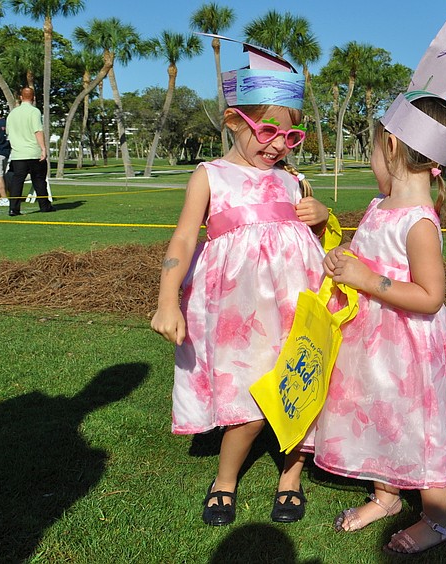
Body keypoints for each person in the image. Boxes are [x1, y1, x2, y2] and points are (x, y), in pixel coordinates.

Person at [150, 38, 329, 527]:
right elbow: (185, 239)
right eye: (268, 131)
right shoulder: (211, 176)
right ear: (234, 121)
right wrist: (168, 300)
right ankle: (224, 480)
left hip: (297, 303)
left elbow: (318, 240)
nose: (277, 145)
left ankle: (290, 477)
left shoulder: (294, 180)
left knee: (299, 389)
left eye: (290, 138)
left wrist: (322, 214)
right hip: (240, 311)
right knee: (248, 402)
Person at [312, 7, 446, 556]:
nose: (371, 160)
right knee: (379, 413)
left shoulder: (420, 223)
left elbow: (429, 297)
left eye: (374, 149)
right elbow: (366, 252)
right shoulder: (381, 205)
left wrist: (366, 277)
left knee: (417, 428)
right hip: (374, 339)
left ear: (395, 150)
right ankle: (385, 493)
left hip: (411, 346)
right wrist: (343, 257)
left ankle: (439, 516)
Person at [6, 87, 54, 216]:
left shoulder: (12, 114)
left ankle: (13, 209)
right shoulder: (34, 112)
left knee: (17, 181)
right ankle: (45, 206)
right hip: (33, 152)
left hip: (18, 154)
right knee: (39, 180)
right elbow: (38, 131)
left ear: (21, 98)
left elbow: (9, 133)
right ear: (33, 98)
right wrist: (43, 149)